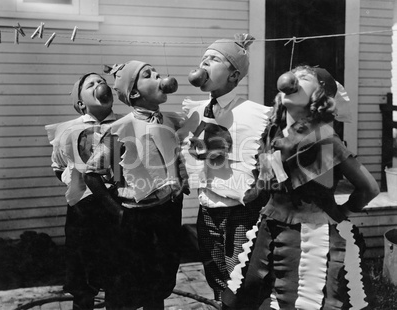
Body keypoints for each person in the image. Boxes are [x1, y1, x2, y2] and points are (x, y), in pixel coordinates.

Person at [221, 65, 380, 310]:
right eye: (293, 76)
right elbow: (266, 181)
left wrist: (341, 214)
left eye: (304, 78)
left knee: (302, 301)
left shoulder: (324, 139)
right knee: (251, 296)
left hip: (310, 238)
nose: (291, 81)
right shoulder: (273, 134)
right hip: (270, 228)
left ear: (320, 96)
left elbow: (369, 188)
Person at [84, 60, 189, 310]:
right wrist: (117, 211)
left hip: (166, 214)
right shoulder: (122, 128)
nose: (159, 77)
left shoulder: (169, 121)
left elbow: (175, 157)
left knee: (159, 283)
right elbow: (92, 173)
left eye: (158, 73)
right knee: (125, 288)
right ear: (133, 93)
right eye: (148, 75)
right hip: (134, 218)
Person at [178, 33, 273, 302]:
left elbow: (269, 157)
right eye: (203, 58)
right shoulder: (195, 111)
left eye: (214, 59)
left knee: (241, 276)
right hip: (207, 208)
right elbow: (187, 151)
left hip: (240, 211)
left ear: (233, 75)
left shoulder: (255, 114)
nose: (204, 64)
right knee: (215, 272)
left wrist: (261, 187)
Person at [45, 73, 121, 310]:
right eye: (91, 85)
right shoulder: (68, 131)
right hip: (83, 213)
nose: (100, 85)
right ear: (80, 104)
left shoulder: (124, 125)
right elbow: (58, 167)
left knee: (117, 276)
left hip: (116, 207)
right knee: (82, 279)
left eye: (101, 81)